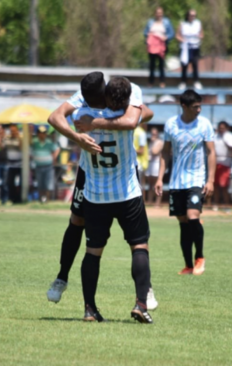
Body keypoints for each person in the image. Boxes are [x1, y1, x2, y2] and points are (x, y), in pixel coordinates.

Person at [46, 73, 157, 318]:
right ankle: (63, 278)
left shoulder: (81, 116)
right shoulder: (118, 98)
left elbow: (138, 117)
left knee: (93, 249)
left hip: (96, 192)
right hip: (122, 188)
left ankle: (90, 307)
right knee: (136, 243)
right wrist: (78, 138)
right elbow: (135, 119)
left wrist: (91, 125)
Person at [155, 90, 215, 276]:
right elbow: (165, 152)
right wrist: (159, 178)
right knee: (183, 222)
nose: (199, 110)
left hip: (196, 179)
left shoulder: (204, 124)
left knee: (192, 216)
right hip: (176, 181)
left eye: (200, 106)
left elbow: (211, 152)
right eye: (195, 106)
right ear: (184, 106)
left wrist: (210, 180)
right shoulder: (171, 125)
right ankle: (188, 265)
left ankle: (200, 258)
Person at [144, 7, 174, 88]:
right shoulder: (150, 22)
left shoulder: (166, 22)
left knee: (161, 64)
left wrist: (166, 37)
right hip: (152, 47)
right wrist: (150, 36)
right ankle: (151, 82)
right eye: (157, 13)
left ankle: (162, 82)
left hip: (161, 46)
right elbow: (145, 32)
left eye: (160, 13)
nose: (159, 15)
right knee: (152, 65)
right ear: (155, 14)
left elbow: (171, 33)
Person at [31, 125, 60, 203]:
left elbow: (57, 149)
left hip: (48, 166)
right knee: (40, 183)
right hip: (38, 166)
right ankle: (41, 199)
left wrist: (54, 157)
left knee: (48, 184)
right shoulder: (34, 141)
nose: (42, 134)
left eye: (43, 132)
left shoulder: (49, 142)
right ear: (37, 133)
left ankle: (47, 200)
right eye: (40, 132)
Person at [176, 9, 203, 90]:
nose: (192, 17)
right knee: (184, 65)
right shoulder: (183, 24)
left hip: (195, 47)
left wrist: (198, 37)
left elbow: (202, 34)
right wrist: (183, 40)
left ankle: (196, 81)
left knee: (195, 64)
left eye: (194, 15)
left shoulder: (198, 23)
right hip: (185, 48)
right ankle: (183, 82)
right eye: (191, 15)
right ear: (187, 16)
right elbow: (177, 35)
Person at [212, 121, 232, 211]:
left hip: (225, 164)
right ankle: (216, 204)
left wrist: (224, 140)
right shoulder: (215, 136)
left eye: (223, 128)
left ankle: (226, 205)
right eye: (220, 128)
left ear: (226, 128)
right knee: (215, 186)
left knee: (224, 186)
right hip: (215, 163)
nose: (221, 130)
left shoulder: (229, 136)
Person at [146, 126, 164, 207]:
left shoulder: (159, 142)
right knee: (150, 185)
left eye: (155, 134)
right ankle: (150, 201)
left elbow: (154, 151)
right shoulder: (150, 142)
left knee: (158, 185)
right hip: (150, 164)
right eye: (152, 134)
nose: (153, 135)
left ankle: (157, 203)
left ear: (158, 134)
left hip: (157, 164)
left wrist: (153, 141)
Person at [134, 124, 149, 200]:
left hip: (139, 163)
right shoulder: (140, 132)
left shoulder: (140, 133)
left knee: (138, 185)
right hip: (138, 163)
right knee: (139, 185)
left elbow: (141, 150)